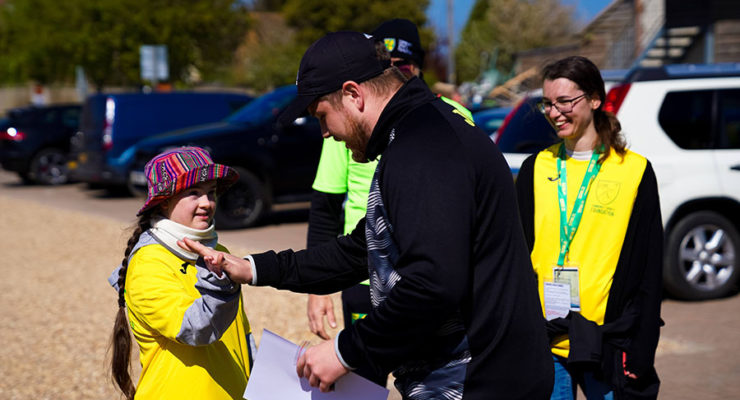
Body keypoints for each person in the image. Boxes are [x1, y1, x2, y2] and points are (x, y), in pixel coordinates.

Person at [181, 31, 552, 399]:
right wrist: (254, 268)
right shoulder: (414, 135)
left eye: (322, 115)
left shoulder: (424, 149)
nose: (324, 133)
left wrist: (346, 351)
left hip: (485, 380)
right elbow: (362, 249)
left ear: (353, 94)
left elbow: (433, 283)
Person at [304, 21, 472, 384]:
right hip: (365, 276)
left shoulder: (451, 120)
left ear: (418, 68)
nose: (396, 71)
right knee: (361, 383)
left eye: (404, 65)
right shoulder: (344, 126)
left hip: (423, 283)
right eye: (388, 63)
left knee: (429, 378)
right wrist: (319, 290)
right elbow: (325, 208)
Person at [514, 56, 663, 399]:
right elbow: (516, 255)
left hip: (605, 341)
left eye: (565, 102)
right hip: (546, 339)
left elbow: (649, 271)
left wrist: (642, 349)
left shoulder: (634, 171)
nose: (554, 113)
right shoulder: (536, 167)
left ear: (596, 99)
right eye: (548, 104)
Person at [108, 146, 255, 400]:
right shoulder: (148, 263)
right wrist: (222, 282)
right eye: (194, 193)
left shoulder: (217, 250)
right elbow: (195, 329)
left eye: (211, 193)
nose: (207, 203)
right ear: (165, 201)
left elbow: (240, 335)